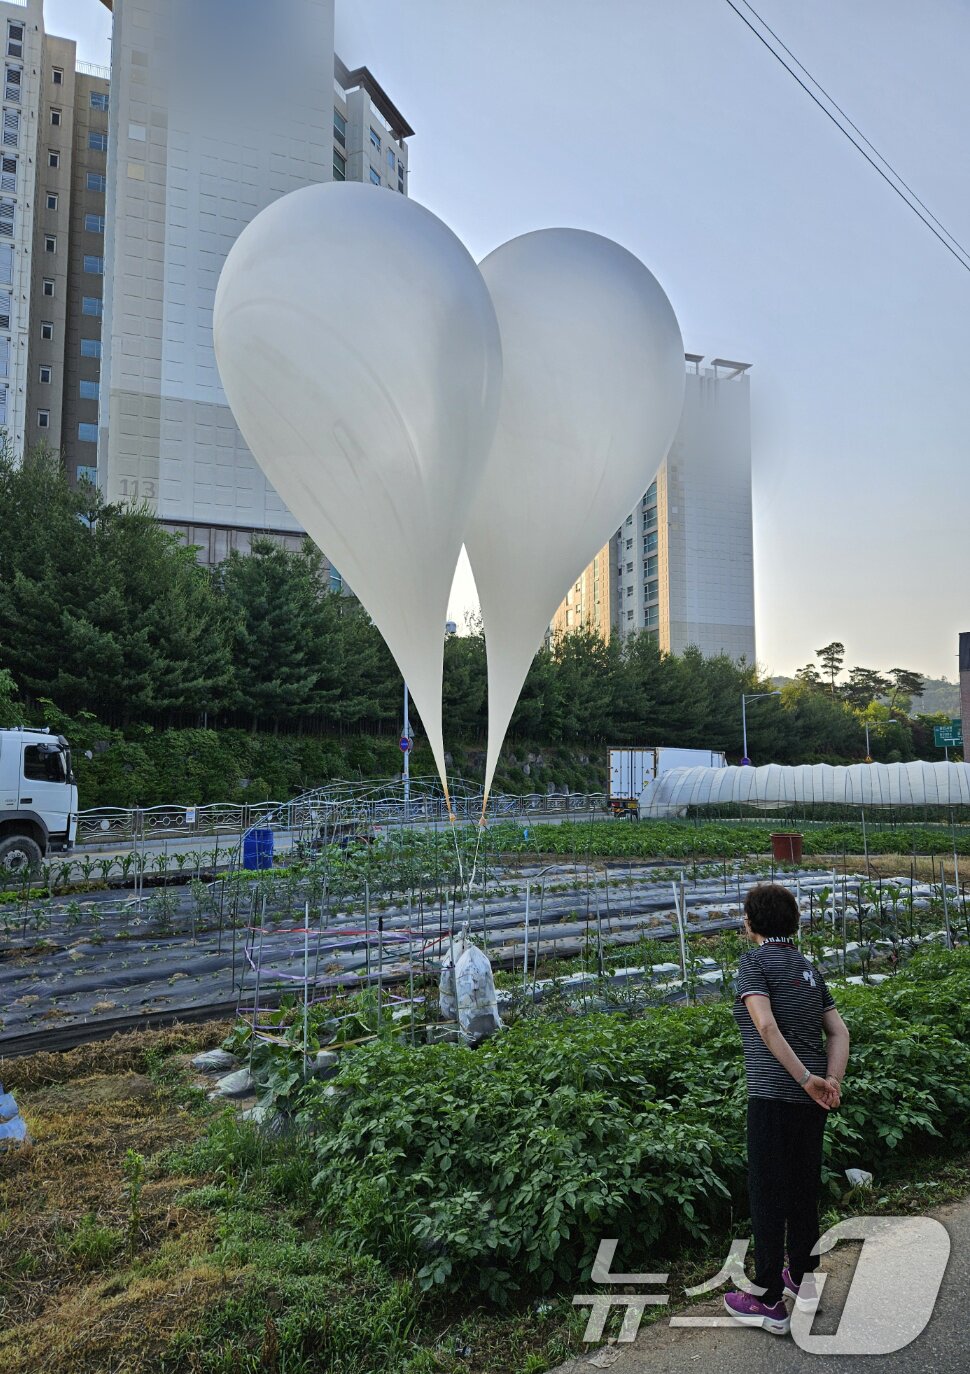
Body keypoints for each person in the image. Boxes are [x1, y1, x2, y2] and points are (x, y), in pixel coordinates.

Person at [723, 883, 851, 1336]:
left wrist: (801, 1078)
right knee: (802, 1191)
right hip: (810, 1103)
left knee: (768, 1195)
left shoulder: (754, 962)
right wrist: (827, 1081)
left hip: (773, 1097)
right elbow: (838, 1032)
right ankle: (802, 1280)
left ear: (751, 922)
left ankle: (766, 1300)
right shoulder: (808, 968)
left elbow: (765, 1024)